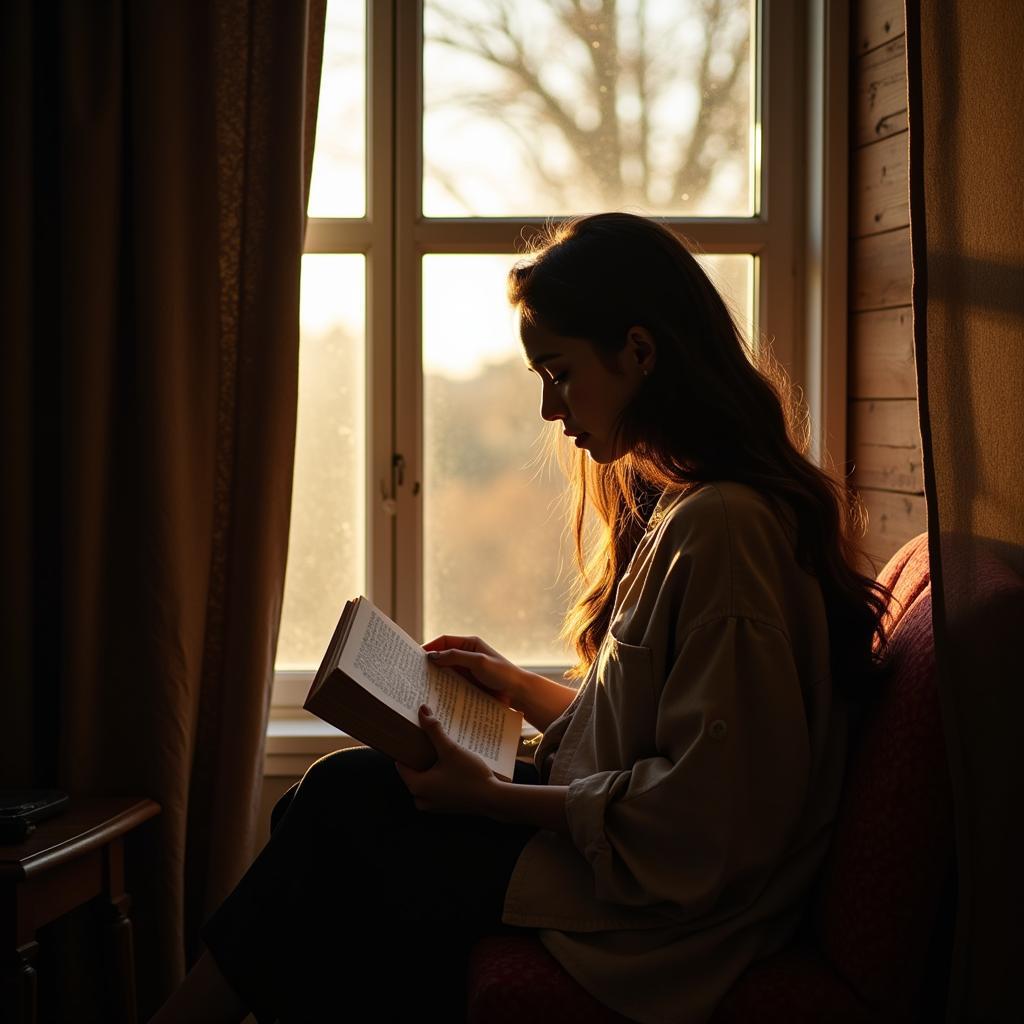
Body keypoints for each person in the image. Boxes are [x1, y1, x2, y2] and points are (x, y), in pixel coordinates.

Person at [151, 212, 889, 1023]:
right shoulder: (693, 513)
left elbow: (705, 818)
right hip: (621, 862)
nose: (550, 410)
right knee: (326, 810)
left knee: (337, 809)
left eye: (561, 373)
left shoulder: (725, 531)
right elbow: (659, 736)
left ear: (640, 353)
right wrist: (513, 686)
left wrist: (493, 800)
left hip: (661, 913)